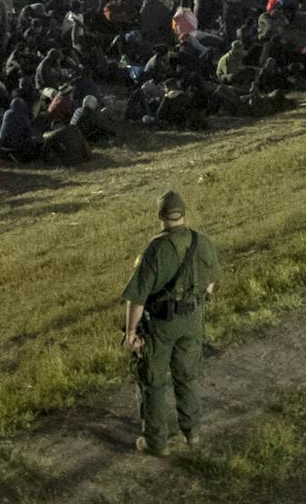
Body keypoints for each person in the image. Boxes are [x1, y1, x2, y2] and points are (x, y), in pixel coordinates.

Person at [121, 190, 220, 456]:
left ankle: (156, 442)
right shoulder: (202, 242)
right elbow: (210, 286)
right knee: (187, 376)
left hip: (161, 325)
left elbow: (137, 297)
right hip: (193, 320)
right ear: (184, 214)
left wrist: (131, 332)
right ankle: (192, 433)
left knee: (153, 381)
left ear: (159, 216)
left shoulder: (156, 249)